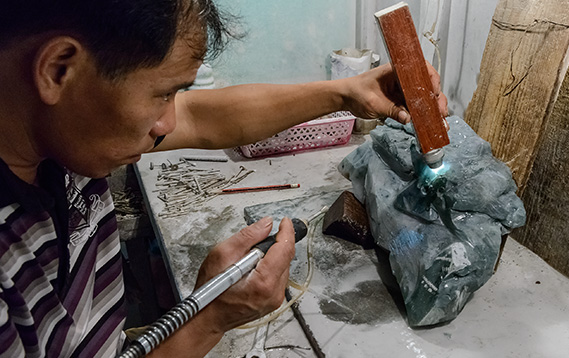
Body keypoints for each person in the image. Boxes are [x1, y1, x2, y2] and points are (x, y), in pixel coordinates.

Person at [0, 1, 448, 357]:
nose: (169, 122)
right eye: (162, 94)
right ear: (58, 68)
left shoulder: (67, 135)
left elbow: (203, 119)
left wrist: (344, 93)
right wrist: (210, 319)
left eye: (177, 94)